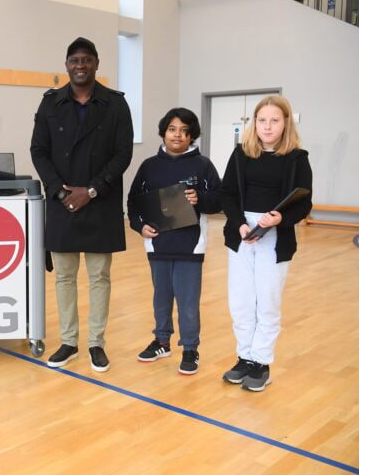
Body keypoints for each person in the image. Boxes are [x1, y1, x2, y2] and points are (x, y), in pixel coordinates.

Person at [29, 37, 134, 373]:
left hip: (99, 201)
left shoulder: (116, 104)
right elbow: (39, 151)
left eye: (86, 60)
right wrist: (60, 192)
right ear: (66, 66)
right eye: (74, 60)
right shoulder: (50, 103)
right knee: (64, 277)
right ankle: (69, 341)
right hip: (62, 203)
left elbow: (123, 154)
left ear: (96, 64)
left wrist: (90, 191)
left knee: (100, 277)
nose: (80, 66)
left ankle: (96, 344)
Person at [216, 95, 313, 392]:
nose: (267, 126)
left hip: (275, 238)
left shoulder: (297, 158)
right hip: (242, 235)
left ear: (285, 123)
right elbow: (227, 193)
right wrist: (240, 224)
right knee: (241, 301)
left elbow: (303, 203)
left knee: (267, 302)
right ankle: (244, 356)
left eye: (274, 120)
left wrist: (278, 220)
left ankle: (261, 362)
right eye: (262, 120)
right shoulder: (240, 154)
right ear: (254, 123)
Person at [127, 108, 221, 375]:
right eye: (172, 129)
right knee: (161, 297)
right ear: (163, 132)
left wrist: (199, 198)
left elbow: (219, 200)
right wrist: (138, 226)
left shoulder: (203, 165)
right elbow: (133, 202)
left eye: (183, 130)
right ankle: (162, 341)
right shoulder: (149, 166)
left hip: (191, 244)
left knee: (188, 301)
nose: (177, 134)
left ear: (191, 135)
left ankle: (190, 348)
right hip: (157, 244)